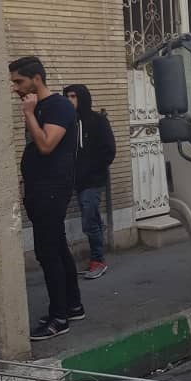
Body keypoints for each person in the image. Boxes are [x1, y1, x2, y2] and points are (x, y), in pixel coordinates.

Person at [9, 56, 83, 341]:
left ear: (36, 79)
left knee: (47, 251)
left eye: (19, 81)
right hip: (40, 187)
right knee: (58, 247)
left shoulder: (58, 106)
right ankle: (73, 306)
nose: (15, 87)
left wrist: (28, 114)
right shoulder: (40, 106)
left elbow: (46, 145)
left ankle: (58, 318)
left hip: (51, 189)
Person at [63, 84, 116, 280]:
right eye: (67, 97)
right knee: (92, 218)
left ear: (82, 98)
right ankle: (97, 246)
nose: (70, 100)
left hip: (93, 181)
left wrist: (92, 170)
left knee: (88, 221)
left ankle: (98, 260)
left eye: (73, 96)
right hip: (76, 181)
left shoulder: (98, 121)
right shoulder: (69, 123)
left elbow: (109, 150)